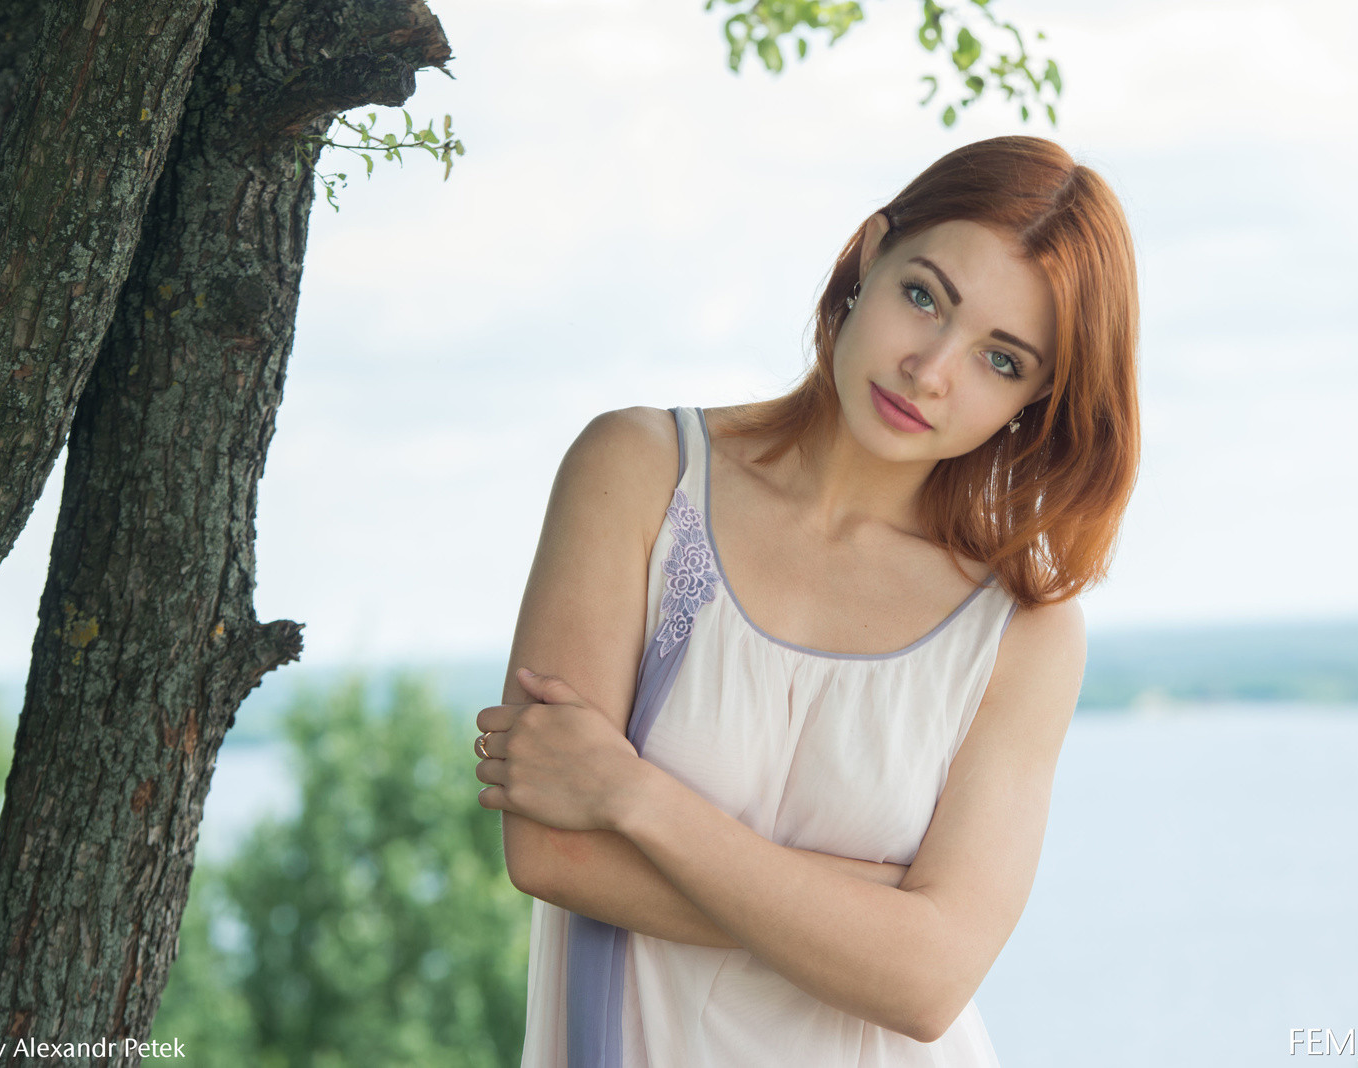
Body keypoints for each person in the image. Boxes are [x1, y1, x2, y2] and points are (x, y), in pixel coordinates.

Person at [475, 134, 1140, 1067]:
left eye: (1001, 359)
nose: (932, 369)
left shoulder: (1023, 632)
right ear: (868, 255)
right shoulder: (638, 473)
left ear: (1037, 398)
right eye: (924, 297)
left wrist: (632, 798)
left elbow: (925, 985)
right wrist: (873, 912)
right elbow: (552, 855)